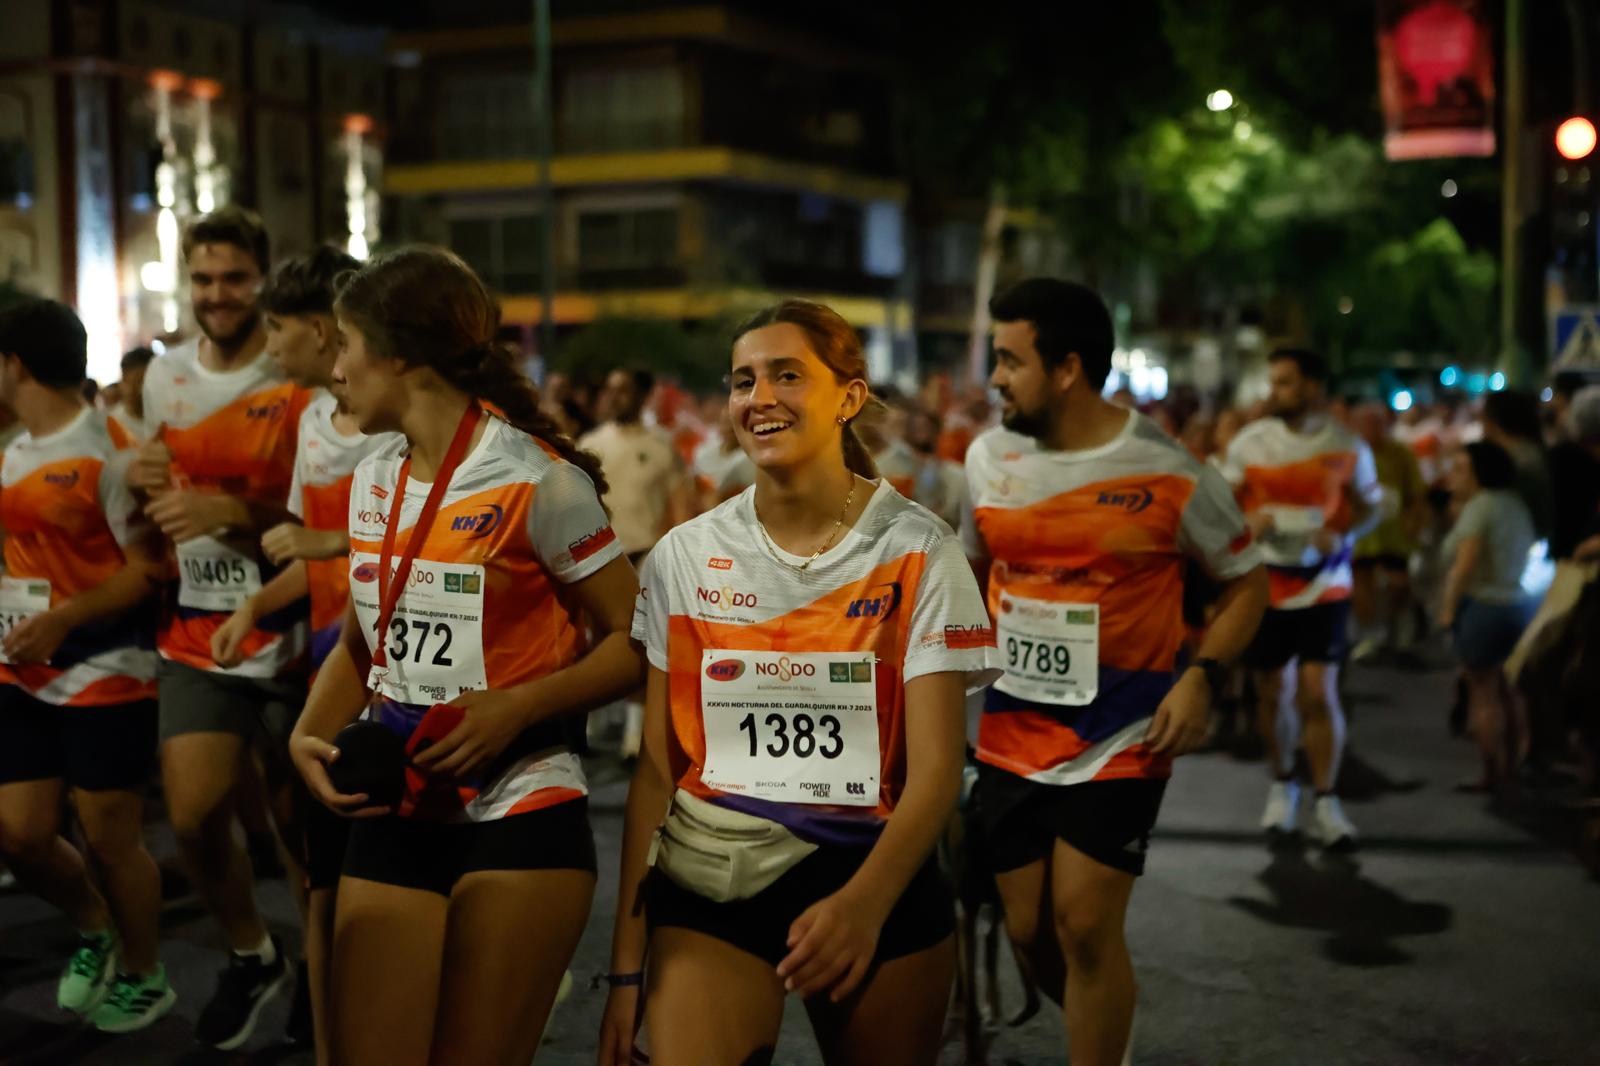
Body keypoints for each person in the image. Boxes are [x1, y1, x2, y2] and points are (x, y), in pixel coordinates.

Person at [599, 299, 998, 1066]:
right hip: (712, 875)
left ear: (849, 397)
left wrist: (865, 905)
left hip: (873, 873)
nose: (761, 397)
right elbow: (655, 772)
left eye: (788, 375)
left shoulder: (920, 549)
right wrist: (624, 968)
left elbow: (937, 770)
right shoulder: (684, 555)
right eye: (743, 380)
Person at [288, 246, 642, 1066]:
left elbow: (636, 642)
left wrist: (519, 706)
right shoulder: (373, 479)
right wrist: (308, 733)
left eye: (345, 345)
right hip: (396, 809)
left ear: (400, 356)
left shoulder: (539, 481)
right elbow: (365, 637)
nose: (334, 370)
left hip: (519, 807)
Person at [963, 280, 1265, 1066]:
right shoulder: (987, 457)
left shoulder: (1168, 468)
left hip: (1122, 733)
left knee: (1086, 925)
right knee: (1029, 933)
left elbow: (1246, 584)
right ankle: (1106, 1035)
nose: (995, 379)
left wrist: (1202, 676)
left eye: (1010, 360)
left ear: (1067, 369)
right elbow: (971, 570)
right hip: (1010, 732)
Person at [126, 205, 311, 1048]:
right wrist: (144, 481)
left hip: (296, 621)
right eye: (202, 279)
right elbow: (161, 489)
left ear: (262, 279)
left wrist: (233, 511)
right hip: (198, 623)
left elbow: (327, 515)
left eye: (234, 278)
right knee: (195, 815)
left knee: (301, 831)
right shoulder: (163, 376)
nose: (217, 294)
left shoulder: (297, 371)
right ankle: (251, 953)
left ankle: (324, 975)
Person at [207, 244, 385, 1062]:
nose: (269, 345)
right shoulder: (312, 421)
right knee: (322, 861)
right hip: (330, 660)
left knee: (384, 864)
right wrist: (253, 605)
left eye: (277, 328)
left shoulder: (395, 425)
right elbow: (311, 555)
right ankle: (323, 1017)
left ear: (324, 331)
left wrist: (332, 542)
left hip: (395, 671)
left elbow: (408, 546)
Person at [0, 300, 172, 1031]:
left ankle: (145, 972)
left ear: (14, 364)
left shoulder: (114, 451)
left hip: (107, 666)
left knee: (109, 838)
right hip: (24, 667)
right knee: (19, 834)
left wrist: (66, 618)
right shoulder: (13, 450)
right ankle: (96, 928)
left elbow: (149, 570)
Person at [1217, 349, 1382, 848]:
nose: (1275, 392)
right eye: (1273, 382)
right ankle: (1283, 781)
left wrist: (1344, 536)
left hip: (1324, 583)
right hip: (1265, 584)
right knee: (1272, 690)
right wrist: (1245, 523)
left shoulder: (1347, 445)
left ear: (1313, 386)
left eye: (1285, 382)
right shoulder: (1250, 443)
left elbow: (1372, 505)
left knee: (1318, 691)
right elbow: (1217, 505)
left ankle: (1327, 800)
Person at [579, 367, 694, 758]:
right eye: (611, 389)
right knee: (593, 641)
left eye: (624, 389)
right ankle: (590, 725)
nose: (616, 396)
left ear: (642, 396)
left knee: (640, 640)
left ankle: (633, 738)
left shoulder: (662, 446)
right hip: (599, 555)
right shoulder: (591, 443)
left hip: (644, 552)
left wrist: (676, 553)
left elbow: (681, 505)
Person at [1438, 442, 1537, 796]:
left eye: (1461, 469)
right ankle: (1515, 765)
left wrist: (1448, 610)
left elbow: (1465, 564)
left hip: (1484, 605)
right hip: (1518, 603)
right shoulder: (1514, 504)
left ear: (1479, 472)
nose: (1453, 476)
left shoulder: (1481, 507)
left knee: (1484, 693)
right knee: (1509, 690)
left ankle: (1492, 773)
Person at [1349, 402, 1428, 661]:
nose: (1373, 429)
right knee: (1362, 583)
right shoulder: (1349, 454)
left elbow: (1416, 492)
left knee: (1398, 583)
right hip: (1361, 535)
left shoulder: (1401, 454)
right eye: (1367, 424)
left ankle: (1393, 627)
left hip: (1393, 533)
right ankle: (1370, 634)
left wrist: (1415, 521)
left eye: (1378, 423)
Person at [689, 394, 755, 512]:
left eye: (733, 424)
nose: (728, 428)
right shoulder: (704, 452)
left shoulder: (750, 459)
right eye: (725, 422)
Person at [108, 346, 156, 446]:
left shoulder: (167, 420)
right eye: (126, 382)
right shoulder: (113, 425)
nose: (130, 391)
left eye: (139, 382)